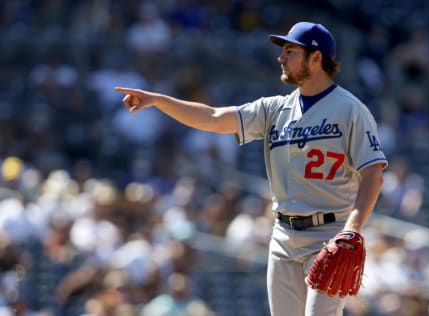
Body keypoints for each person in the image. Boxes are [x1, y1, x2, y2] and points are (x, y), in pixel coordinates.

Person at [115, 21, 388, 316]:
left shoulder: (350, 109)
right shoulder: (274, 108)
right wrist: (159, 101)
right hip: (283, 235)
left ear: (316, 58)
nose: (281, 57)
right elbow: (214, 117)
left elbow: (373, 172)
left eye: (290, 51)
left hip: (329, 234)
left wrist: (353, 229)